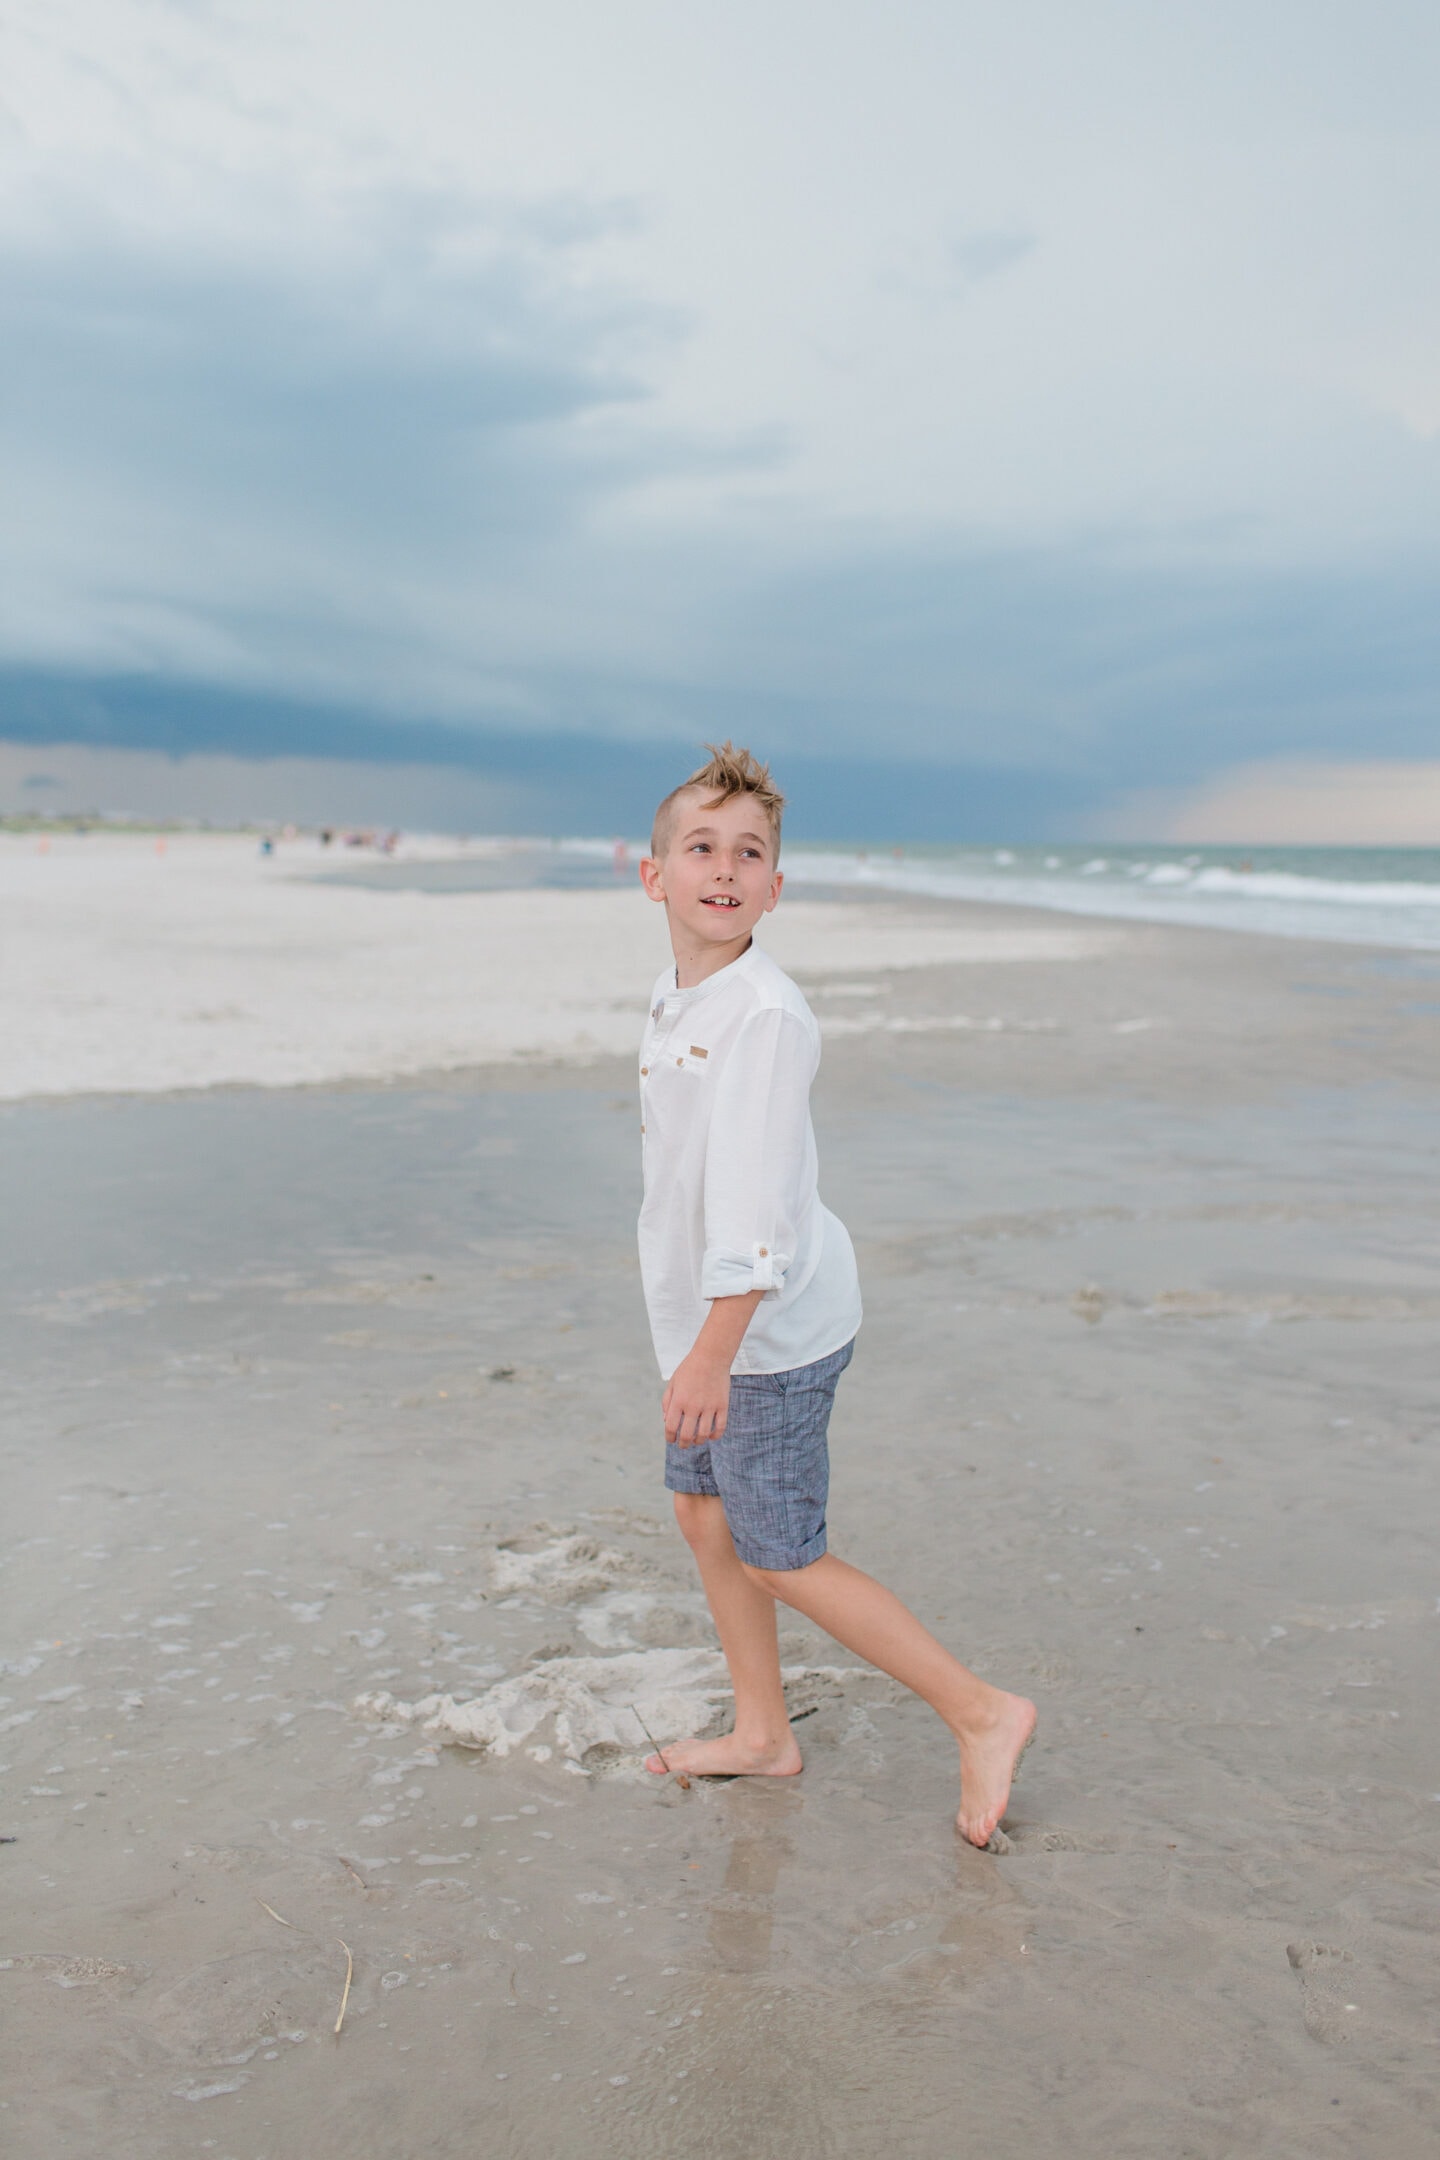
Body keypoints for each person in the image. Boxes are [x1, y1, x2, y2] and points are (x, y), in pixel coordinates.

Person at [636, 743, 1036, 1848]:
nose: (724, 869)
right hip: (701, 1327)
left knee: (779, 1548)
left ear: (777, 884)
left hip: (763, 1331)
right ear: (653, 873)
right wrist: (693, 1343)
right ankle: (765, 1733)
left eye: (749, 853)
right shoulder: (680, 992)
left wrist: (714, 1354)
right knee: (702, 1510)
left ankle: (984, 1712)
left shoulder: (765, 1014)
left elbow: (755, 1215)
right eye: (701, 848)